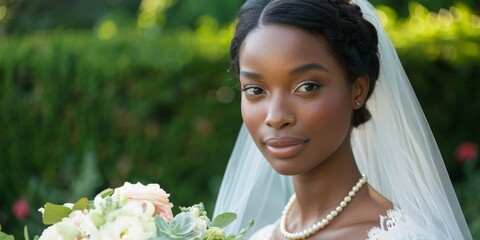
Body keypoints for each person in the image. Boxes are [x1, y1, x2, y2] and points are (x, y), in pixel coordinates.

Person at [214, 0, 473, 239]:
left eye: (307, 86)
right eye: (255, 90)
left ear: (357, 90)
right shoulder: (260, 236)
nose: (276, 117)